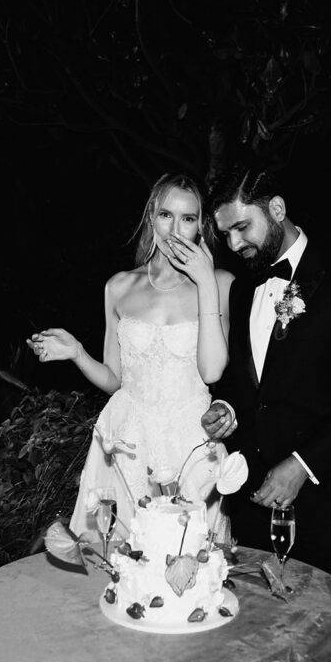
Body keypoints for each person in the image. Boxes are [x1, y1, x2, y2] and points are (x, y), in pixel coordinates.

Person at [200, 166, 331, 593]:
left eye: (241, 227)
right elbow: (243, 382)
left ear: (277, 209)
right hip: (250, 497)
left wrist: (302, 465)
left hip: (324, 501)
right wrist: (225, 407)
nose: (234, 245)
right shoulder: (242, 291)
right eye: (226, 235)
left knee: (322, 631)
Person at [27, 173, 235, 541]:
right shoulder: (119, 286)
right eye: (166, 215)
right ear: (151, 217)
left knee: (191, 562)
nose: (175, 228)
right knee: (122, 564)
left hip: (190, 443)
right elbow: (116, 380)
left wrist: (203, 282)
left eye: (188, 218)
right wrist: (77, 352)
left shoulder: (220, 283)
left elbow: (212, 369)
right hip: (127, 441)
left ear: (199, 227)